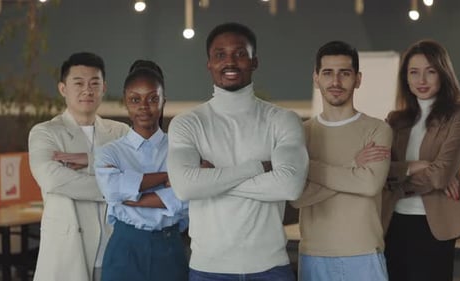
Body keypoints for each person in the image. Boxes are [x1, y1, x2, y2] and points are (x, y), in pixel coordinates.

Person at [166, 22, 308, 281]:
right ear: (209, 63)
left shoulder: (283, 120)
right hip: (209, 269)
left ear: (255, 61)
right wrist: (256, 168)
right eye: (220, 54)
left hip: (270, 268)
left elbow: (290, 187)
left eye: (240, 53)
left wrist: (211, 180)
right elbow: (185, 188)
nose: (230, 62)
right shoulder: (187, 123)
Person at [290, 41, 392, 281]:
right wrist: (352, 165)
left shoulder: (377, 129)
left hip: (364, 253)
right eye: (327, 73)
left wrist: (308, 168)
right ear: (316, 78)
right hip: (314, 254)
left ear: (358, 79)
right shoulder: (301, 133)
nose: (335, 82)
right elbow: (297, 197)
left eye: (344, 73)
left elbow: (369, 185)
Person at [28, 52, 129, 281]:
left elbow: (140, 173)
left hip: (113, 251)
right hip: (67, 252)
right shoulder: (45, 132)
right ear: (63, 88)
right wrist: (118, 185)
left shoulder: (120, 132)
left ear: (104, 88)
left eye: (95, 83)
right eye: (79, 83)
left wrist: (91, 161)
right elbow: (53, 179)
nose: (87, 90)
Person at [382, 39, 460, 281]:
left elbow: (441, 174)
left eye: (430, 71)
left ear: (443, 74)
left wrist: (398, 181)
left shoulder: (459, 116)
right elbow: (379, 171)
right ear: (406, 78)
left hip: (435, 226)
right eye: (414, 72)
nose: (421, 80)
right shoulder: (395, 120)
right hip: (394, 223)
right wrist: (414, 167)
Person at [94, 60, 189, 281]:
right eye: (135, 100)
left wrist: (132, 196)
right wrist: (168, 177)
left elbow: (186, 195)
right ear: (126, 103)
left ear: (163, 101)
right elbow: (112, 192)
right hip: (125, 248)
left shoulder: (183, 150)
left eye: (152, 99)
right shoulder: (109, 152)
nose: (144, 107)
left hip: (170, 249)